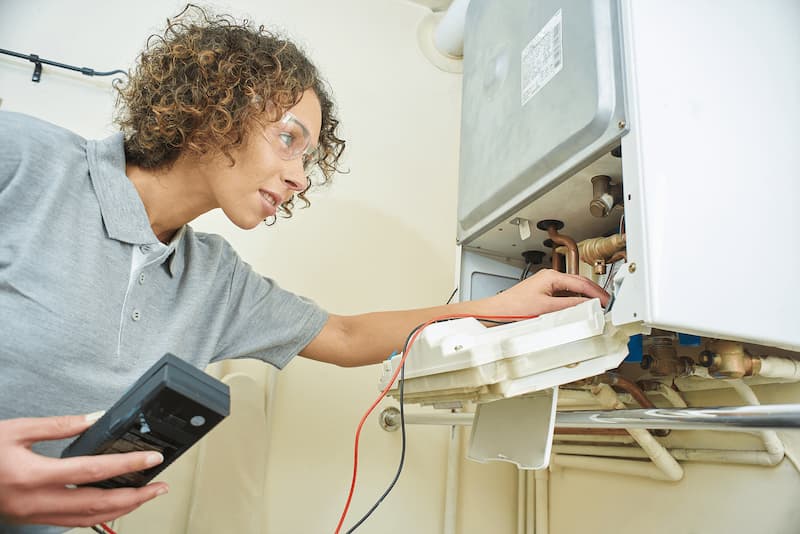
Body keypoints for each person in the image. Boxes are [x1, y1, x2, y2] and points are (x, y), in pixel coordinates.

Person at [0, 6, 608, 532]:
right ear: (214, 108)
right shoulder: (26, 161)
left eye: (310, 158)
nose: (300, 177)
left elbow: (343, 336)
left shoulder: (212, 279)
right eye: (288, 139)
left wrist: (501, 308)